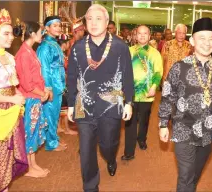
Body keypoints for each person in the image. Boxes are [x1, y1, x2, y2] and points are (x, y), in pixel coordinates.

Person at [158, 17, 212, 192]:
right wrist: (163, 123)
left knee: (194, 175)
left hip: (208, 131)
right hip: (183, 129)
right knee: (186, 174)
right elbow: (167, 96)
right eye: (201, 38)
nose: (207, 42)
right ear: (192, 41)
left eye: (211, 38)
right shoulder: (178, 68)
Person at [67, 4, 134, 191]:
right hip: (84, 104)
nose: (94, 23)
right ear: (85, 23)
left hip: (110, 105)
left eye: (98, 18)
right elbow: (72, 76)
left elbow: (128, 76)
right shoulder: (78, 47)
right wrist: (71, 103)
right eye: (89, 19)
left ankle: (111, 158)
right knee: (86, 149)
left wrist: (129, 102)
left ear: (106, 22)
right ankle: (90, 186)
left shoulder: (120, 46)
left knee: (108, 144)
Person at [0, 4, 28, 191]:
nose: (11, 37)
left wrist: (17, 94)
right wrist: (12, 100)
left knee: (9, 157)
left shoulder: (9, 57)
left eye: (12, 33)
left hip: (11, 112)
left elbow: (12, 84)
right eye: (6, 33)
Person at [14, 21, 50, 178]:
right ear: (32, 34)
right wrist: (42, 93)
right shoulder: (23, 54)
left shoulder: (29, 51)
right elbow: (27, 84)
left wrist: (43, 91)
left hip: (35, 98)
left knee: (34, 132)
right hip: (30, 99)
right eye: (40, 32)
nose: (41, 35)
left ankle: (33, 164)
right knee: (29, 133)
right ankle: (29, 168)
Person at [122, 25, 163, 161]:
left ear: (149, 35)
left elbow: (158, 72)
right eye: (139, 33)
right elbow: (123, 71)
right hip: (131, 93)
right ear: (135, 35)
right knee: (130, 122)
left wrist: (154, 86)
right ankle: (129, 152)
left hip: (147, 93)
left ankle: (142, 139)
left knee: (144, 120)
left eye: (145, 33)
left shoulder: (155, 53)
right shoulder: (129, 51)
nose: (142, 36)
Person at [37, 16, 67, 151]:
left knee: (55, 113)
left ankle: (54, 139)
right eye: (54, 25)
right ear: (47, 28)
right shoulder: (45, 47)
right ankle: (51, 143)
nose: (58, 28)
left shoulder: (54, 43)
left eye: (59, 25)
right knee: (49, 113)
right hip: (51, 85)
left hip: (58, 83)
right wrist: (48, 88)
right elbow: (44, 68)